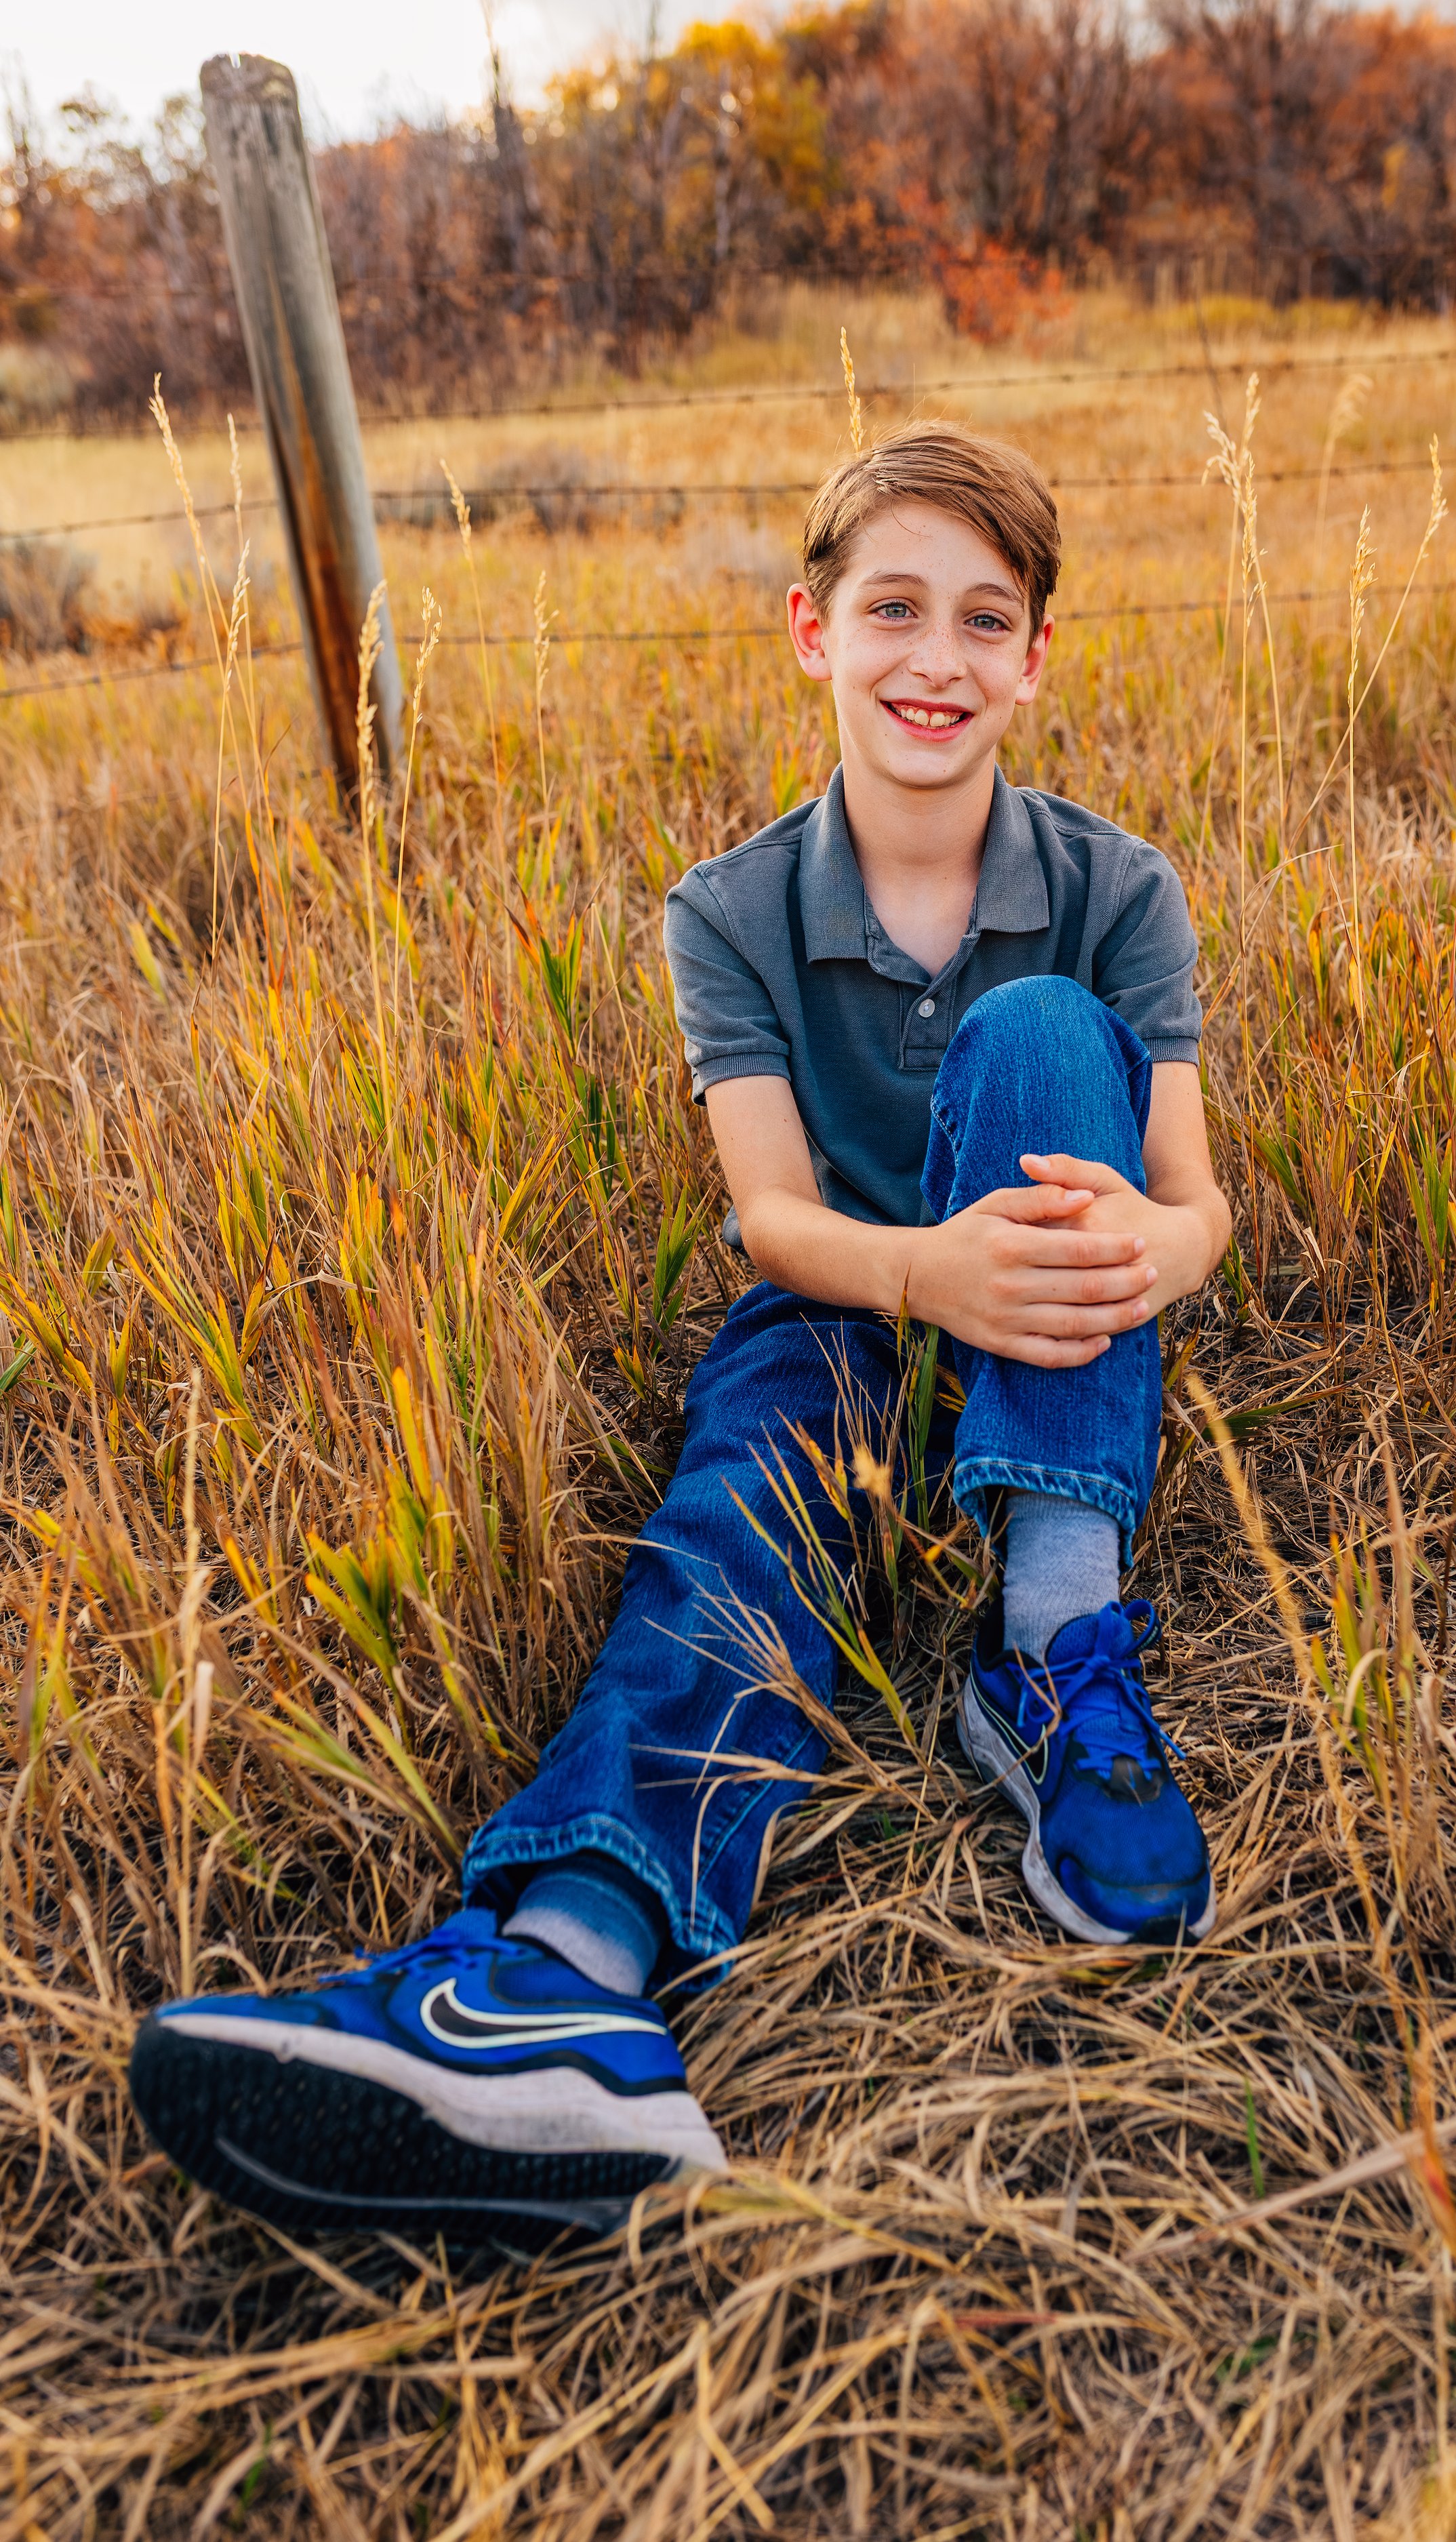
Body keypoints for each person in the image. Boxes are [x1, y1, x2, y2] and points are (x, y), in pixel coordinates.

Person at [129, 422, 1232, 2242]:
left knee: (1041, 1031)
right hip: (859, 1297)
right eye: (892, 608)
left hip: (1055, 1314)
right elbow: (773, 1214)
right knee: (738, 1504)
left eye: (981, 620)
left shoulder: (1118, 889)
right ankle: (562, 1984)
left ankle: (1049, 1645)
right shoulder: (727, 910)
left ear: (1033, 659)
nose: (931, 660)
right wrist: (916, 1278)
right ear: (812, 629)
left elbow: (1193, 1203)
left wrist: (1147, 1259)